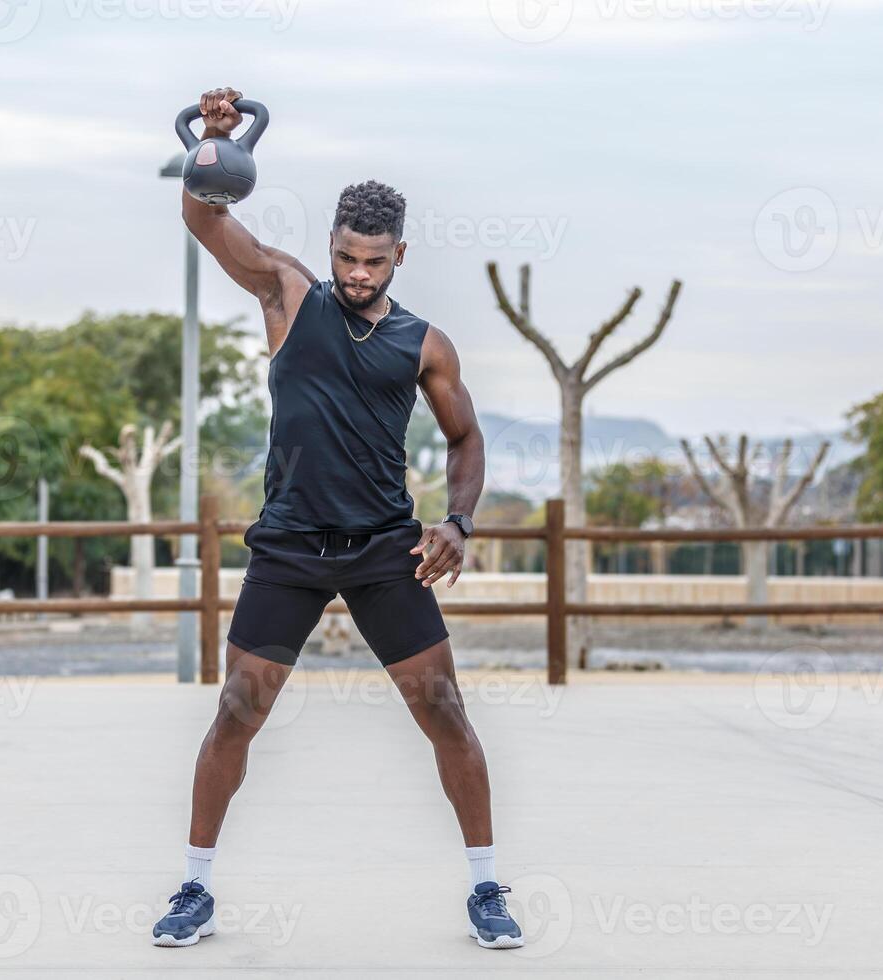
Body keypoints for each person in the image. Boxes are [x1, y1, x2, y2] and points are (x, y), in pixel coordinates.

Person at [152, 87, 522, 951]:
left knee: (445, 713)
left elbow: (466, 441)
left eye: (375, 262)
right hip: (287, 547)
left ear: (400, 255)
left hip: (384, 551)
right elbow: (205, 222)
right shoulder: (288, 293)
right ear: (331, 247)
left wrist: (459, 523)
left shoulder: (425, 344)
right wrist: (213, 145)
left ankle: (487, 887)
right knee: (238, 711)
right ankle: (194, 887)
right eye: (348, 258)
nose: (359, 275)